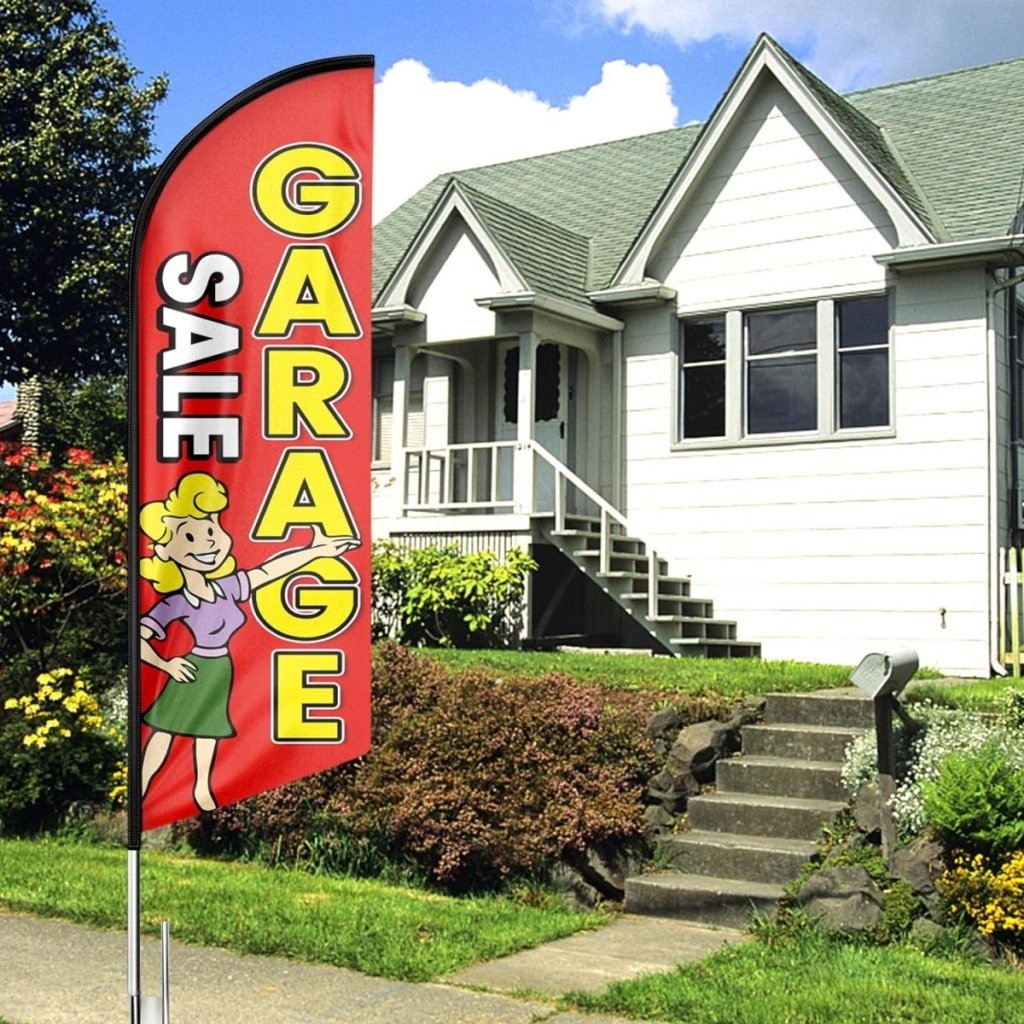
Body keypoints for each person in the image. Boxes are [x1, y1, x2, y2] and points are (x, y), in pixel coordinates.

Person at [138, 471, 357, 811]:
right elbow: (138, 638)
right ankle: (141, 791)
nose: (207, 542)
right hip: (193, 668)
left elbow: (269, 572)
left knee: (208, 731)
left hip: (219, 668)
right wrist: (166, 663)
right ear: (167, 550)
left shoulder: (227, 587)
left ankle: (200, 789)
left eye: (211, 531)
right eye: (192, 537)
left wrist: (314, 553)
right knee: (165, 732)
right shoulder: (175, 601)